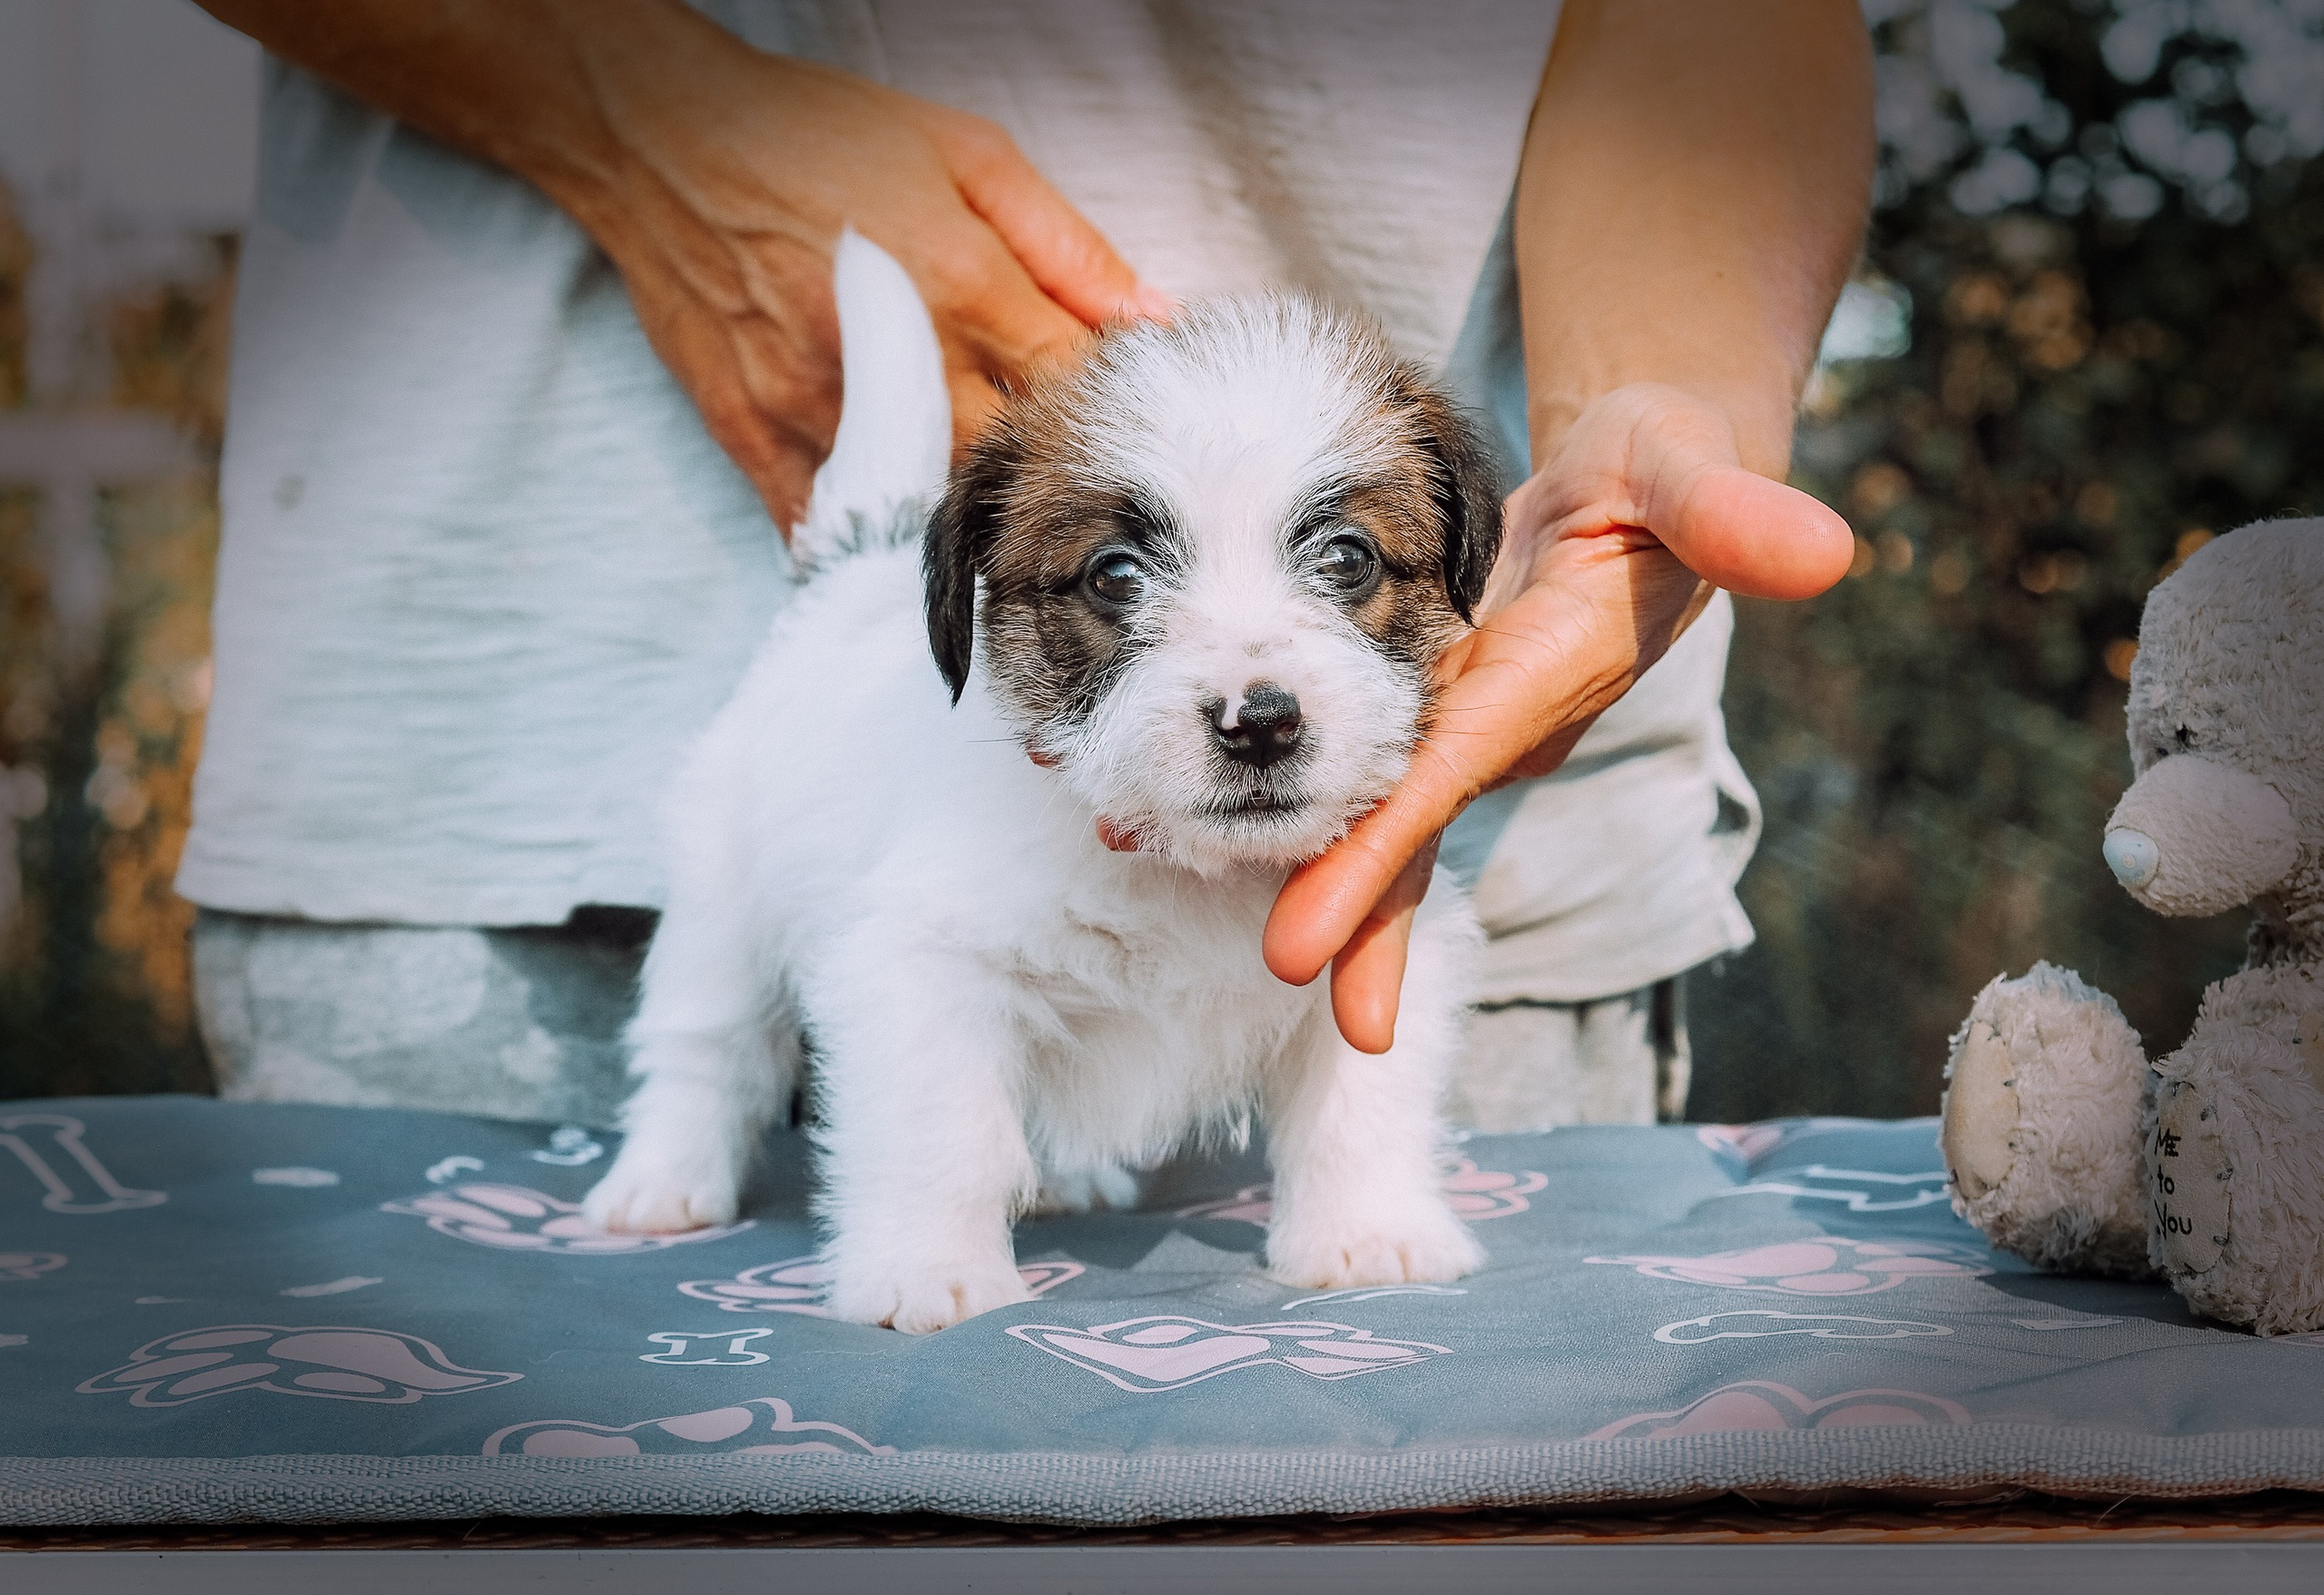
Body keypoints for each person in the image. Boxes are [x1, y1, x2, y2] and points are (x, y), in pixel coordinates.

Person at [181, 0, 1868, 1132]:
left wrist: (1646, 394)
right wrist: (647, 122)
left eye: (1349, 561)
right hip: (490, 795)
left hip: (1449, 866)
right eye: (1120, 581)